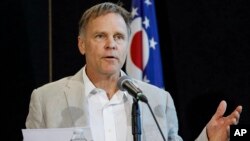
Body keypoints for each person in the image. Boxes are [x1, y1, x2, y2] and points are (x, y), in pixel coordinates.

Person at [25, 2, 242, 141]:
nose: (111, 44)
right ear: (82, 44)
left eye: (119, 37)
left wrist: (209, 139)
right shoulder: (45, 99)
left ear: (128, 44)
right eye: (100, 36)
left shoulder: (157, 100)